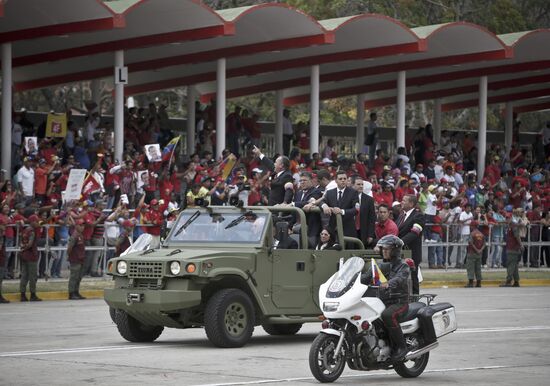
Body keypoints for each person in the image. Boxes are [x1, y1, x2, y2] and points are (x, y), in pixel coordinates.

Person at [361, 235, 410, 362]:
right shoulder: (379, 265)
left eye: (387, 249)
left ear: (395, 250)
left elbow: (399, 279)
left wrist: (389, 283)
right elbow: (366, 278)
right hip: (382, 301)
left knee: (388, 315)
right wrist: (351, 280)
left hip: (399, 302)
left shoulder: (403, 266)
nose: (384, 251)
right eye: (383, 249)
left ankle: (401, 347)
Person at [397, 194, 424, 294]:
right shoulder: (401, 215)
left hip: (412, 253)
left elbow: (415, 233)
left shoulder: (418, 216)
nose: (401, 202)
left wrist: (400, 242)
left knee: (412, 278)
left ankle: (415, 298)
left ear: (411, 203)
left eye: (404, 200)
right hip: (401, 253)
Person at [321, 170, 358, 243]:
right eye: (340, 179)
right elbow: (322, 201)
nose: (343, 181)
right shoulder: (330, 192)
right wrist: (324, 206)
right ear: (336, 180)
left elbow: (355, 209)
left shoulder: (353, 192)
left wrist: (342, 211)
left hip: (348, 228)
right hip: (332, 228)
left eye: (345, 179)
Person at [19, 214, 42, 302]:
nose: (37, 223)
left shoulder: (25, 230)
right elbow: (30, 244)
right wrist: (26, 247)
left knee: (24, 275)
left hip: (24, 255)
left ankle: (22, 294)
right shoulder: (32, 231)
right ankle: (33, 295)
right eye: (36, 221)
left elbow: (21, 242)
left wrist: (23, 248)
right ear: (32, 222)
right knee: (33, 276)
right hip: (31, 255)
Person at [500, 208, 524, 287]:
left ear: (511, 218)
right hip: (511, 247)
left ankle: (508, 281)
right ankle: (516, 281)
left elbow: (517, 236)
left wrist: (521, 245)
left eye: (508, 218)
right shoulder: (510, 225)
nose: (507, 219)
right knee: (514, 265)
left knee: (510, 264)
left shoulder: (513, 226)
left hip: (513, 248)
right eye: (506, 218)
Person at [352, 176, 376, 248]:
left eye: (362, 184)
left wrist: (370, 235)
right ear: (353, 185)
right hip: (351, 231)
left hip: (363, 232)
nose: (361, 186)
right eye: (358, 184)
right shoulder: (348, 197)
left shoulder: (369, 200)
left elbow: (372, 218)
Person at [67, 219, 87, 300]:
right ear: (76, 226)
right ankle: (71, 293)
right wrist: (71, 257)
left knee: (79, 277)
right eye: (80, 225)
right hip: (75, 259)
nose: (82, 227)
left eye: (83, 225)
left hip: (80, 259)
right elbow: (69, 248)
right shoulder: (74, 236)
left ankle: (76, 292)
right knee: (74, 277)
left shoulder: (80, 235)